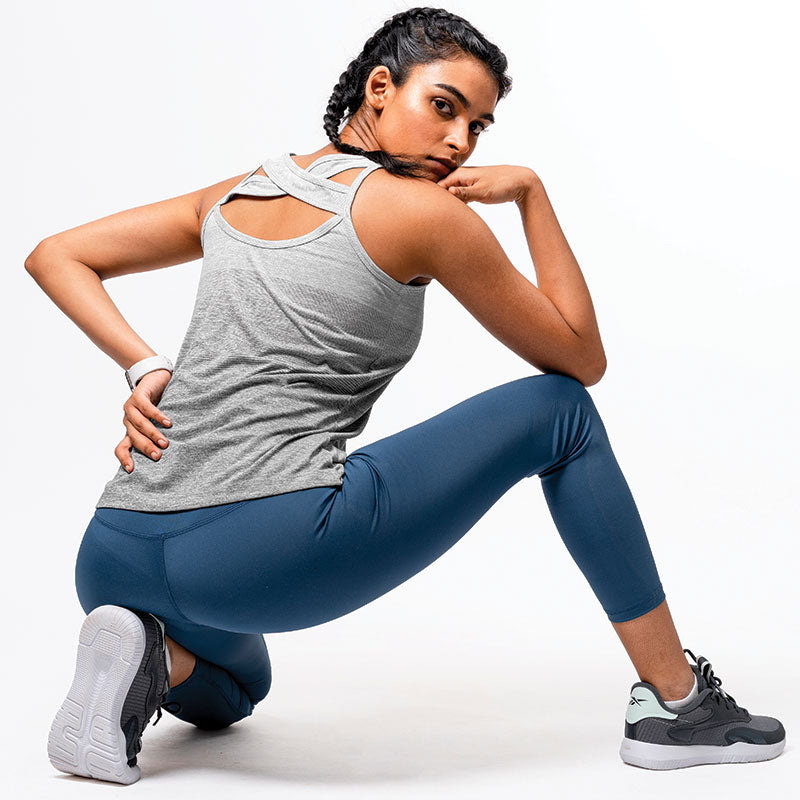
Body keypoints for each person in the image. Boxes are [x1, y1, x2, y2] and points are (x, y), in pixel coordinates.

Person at [28, 7, 784, 785]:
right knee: (560, 413)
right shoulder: (424, 212)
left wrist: (143, 365)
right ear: (380, 88)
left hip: (113, 549)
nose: (460, 142)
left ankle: (145, 653)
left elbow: (57, 254)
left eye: (478, 127)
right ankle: (677, 703)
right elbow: (580, 358)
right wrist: (532, 195)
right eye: (444, 107)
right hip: (262, 550)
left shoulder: (241, 192)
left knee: (239, 692)